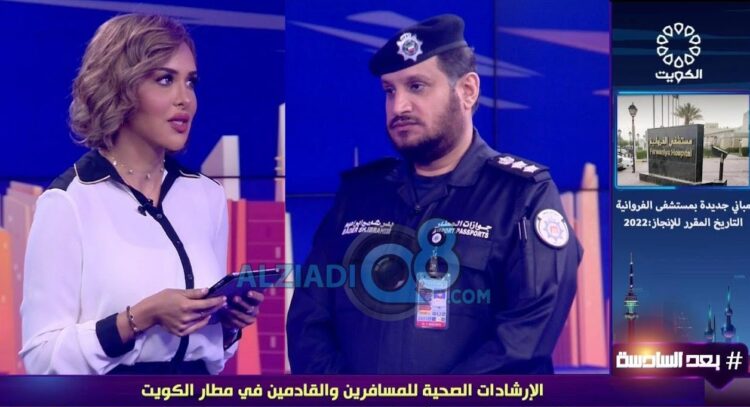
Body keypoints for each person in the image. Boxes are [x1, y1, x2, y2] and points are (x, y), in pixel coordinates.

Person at [287, 14, 582, 374]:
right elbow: (308, 323)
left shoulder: (522, 195)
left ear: (467, 91)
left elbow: (524, 342)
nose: (399, 106)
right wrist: (353, 401)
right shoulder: (359, 194)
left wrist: (435, 401)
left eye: (417, 86)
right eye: (390, 91)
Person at [19, 14, 263, 375]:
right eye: (165, 79)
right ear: (120, 88)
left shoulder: (206, 196)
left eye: (191, 82)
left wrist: (226, 325)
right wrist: (139, 317)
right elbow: (42, 358)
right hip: (114, 401)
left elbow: (213, 356)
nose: (185, 99)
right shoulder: (68, 202)